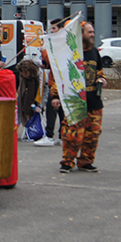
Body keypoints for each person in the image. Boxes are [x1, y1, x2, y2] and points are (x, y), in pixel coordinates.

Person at [59, 21, 106, 173]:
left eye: (93, 32)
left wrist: (102, 79)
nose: (92, 35)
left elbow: (99, 70)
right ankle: (67, 161)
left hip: (94, 101)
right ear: (81, 34)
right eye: (89, 32)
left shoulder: (94, 51)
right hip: (76, 101)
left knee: (93, 133)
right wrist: (54, 95)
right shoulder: (71, 52)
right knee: (72, 134)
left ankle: (86, 160)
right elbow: (60, 75)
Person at [35, 18, 66, 147]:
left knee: (52, 110)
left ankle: (49, 135)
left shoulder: (60, 43)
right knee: (60, 111)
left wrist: (44, 51)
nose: (51, 31)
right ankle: (61, 135)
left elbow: (55, 60)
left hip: (58, 82)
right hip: (56, 80)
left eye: (54, 28)